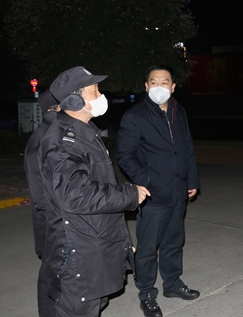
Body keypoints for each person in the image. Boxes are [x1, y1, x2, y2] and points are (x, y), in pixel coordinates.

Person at [40, 66, 150, 317]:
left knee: (94, 307)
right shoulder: (62, 142)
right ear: (73, 101)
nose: (101, 96)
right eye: (95, 91)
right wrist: (129, 194)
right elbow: (75, 195)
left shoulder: (83, 132)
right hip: (79, 252)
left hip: (93, 242)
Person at [117, 65, 200, 317]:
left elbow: (186, 148)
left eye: (164, 82)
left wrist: (192, 180)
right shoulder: (135, 116)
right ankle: (146, 294)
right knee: (147, 248)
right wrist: (147, 180)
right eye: (154, 82)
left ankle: (172, 283)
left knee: (174, 242)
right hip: (153, 195)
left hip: (178, 190)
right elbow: (125, 156)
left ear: (173, 87)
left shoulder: (178, 111)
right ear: (146, 86)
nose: (159, 87)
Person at [24, 90, 60, 317]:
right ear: (52, 111)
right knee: (50, 278)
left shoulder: (54, 135)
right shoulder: (41, 142)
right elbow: (40, 198)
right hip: (51, 227)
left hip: (60, 225)